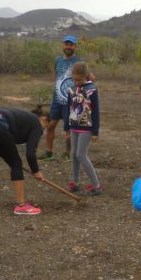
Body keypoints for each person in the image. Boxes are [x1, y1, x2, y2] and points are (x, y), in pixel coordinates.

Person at [39, 35, 83, 162]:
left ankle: (67, 154)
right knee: (51, 125)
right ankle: (49, 153)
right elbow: (57, 76)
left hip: (71, 100)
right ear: (63, 46)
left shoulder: (79, 62)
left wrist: (79, 93)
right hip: (57, 99)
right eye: (66, 44)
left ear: (75, 47)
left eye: (71, 44)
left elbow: (90, 77)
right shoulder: (58, 60)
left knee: (69, 127)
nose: (68, 46)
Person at [64, 62, 102, 196]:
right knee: (73, 154)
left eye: (79, 79)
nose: (76, 82)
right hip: (74, 126)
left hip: (87, 127)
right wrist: (66, 127)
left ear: (86, 76)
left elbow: (96, 111)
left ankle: (96, 186)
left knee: (81, 154)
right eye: (74, 79)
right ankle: (76, 182)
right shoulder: (71, 88)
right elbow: (68, 107)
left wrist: (95, 131)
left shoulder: (92, 89)